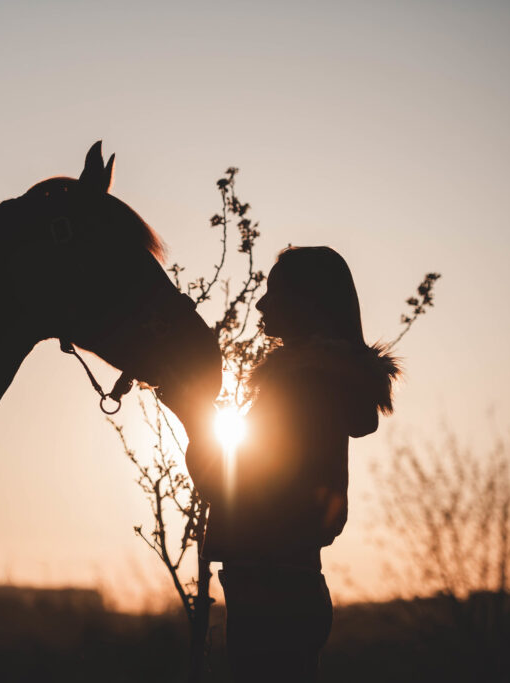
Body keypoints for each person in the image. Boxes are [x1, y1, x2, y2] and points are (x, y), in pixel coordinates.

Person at [186, 246, 400, 682]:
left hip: (268, 595)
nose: (262, 305)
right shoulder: (319, 384)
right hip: (290, 585)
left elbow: (232, 486)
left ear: (309, 302)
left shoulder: (299, 389)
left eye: (275, 292)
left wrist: (191, 416)